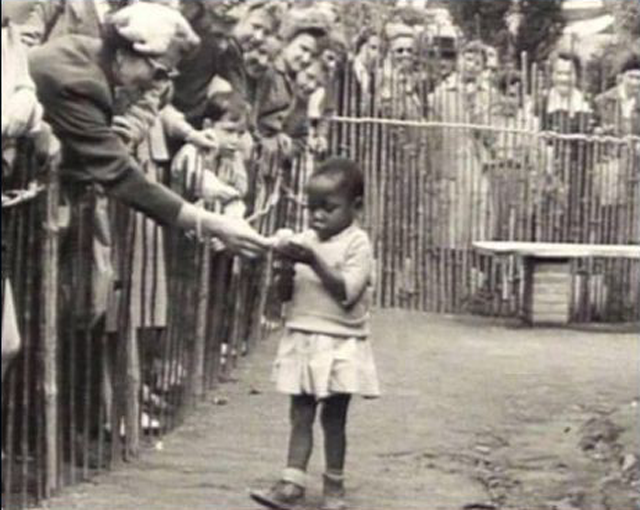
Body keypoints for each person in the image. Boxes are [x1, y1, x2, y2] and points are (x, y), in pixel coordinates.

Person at [27, 2, 268, 255]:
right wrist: (212, 224)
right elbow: (119, 175)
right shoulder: (78, 84)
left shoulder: (84, 53)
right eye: (159, 73)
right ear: (123, 55)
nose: (159, 86)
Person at [250, 157, 380, 510]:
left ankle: (334, 488)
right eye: (312, 208)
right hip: (303, 337)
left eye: (329, 209)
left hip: (341, 341)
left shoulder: (358, 244)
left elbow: (347, 292)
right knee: (301, 413)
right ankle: (292, 483)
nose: (318, 217)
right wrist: (285, 268)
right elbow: (284, 297)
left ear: (356, 207)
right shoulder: (305, 241)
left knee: (334, 418)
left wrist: (313, 260)